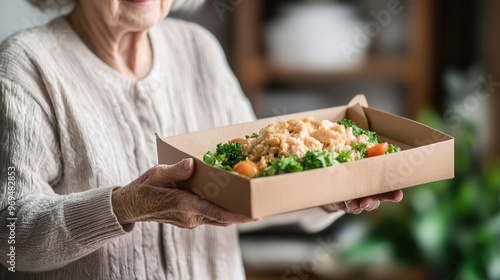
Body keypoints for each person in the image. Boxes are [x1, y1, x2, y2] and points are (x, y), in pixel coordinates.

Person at [0, 0, 403, 279]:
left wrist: (324, 191)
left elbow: (247, 191)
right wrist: (124, 206)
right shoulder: (27, 64)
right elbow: (10, 235)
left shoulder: (199, 49)